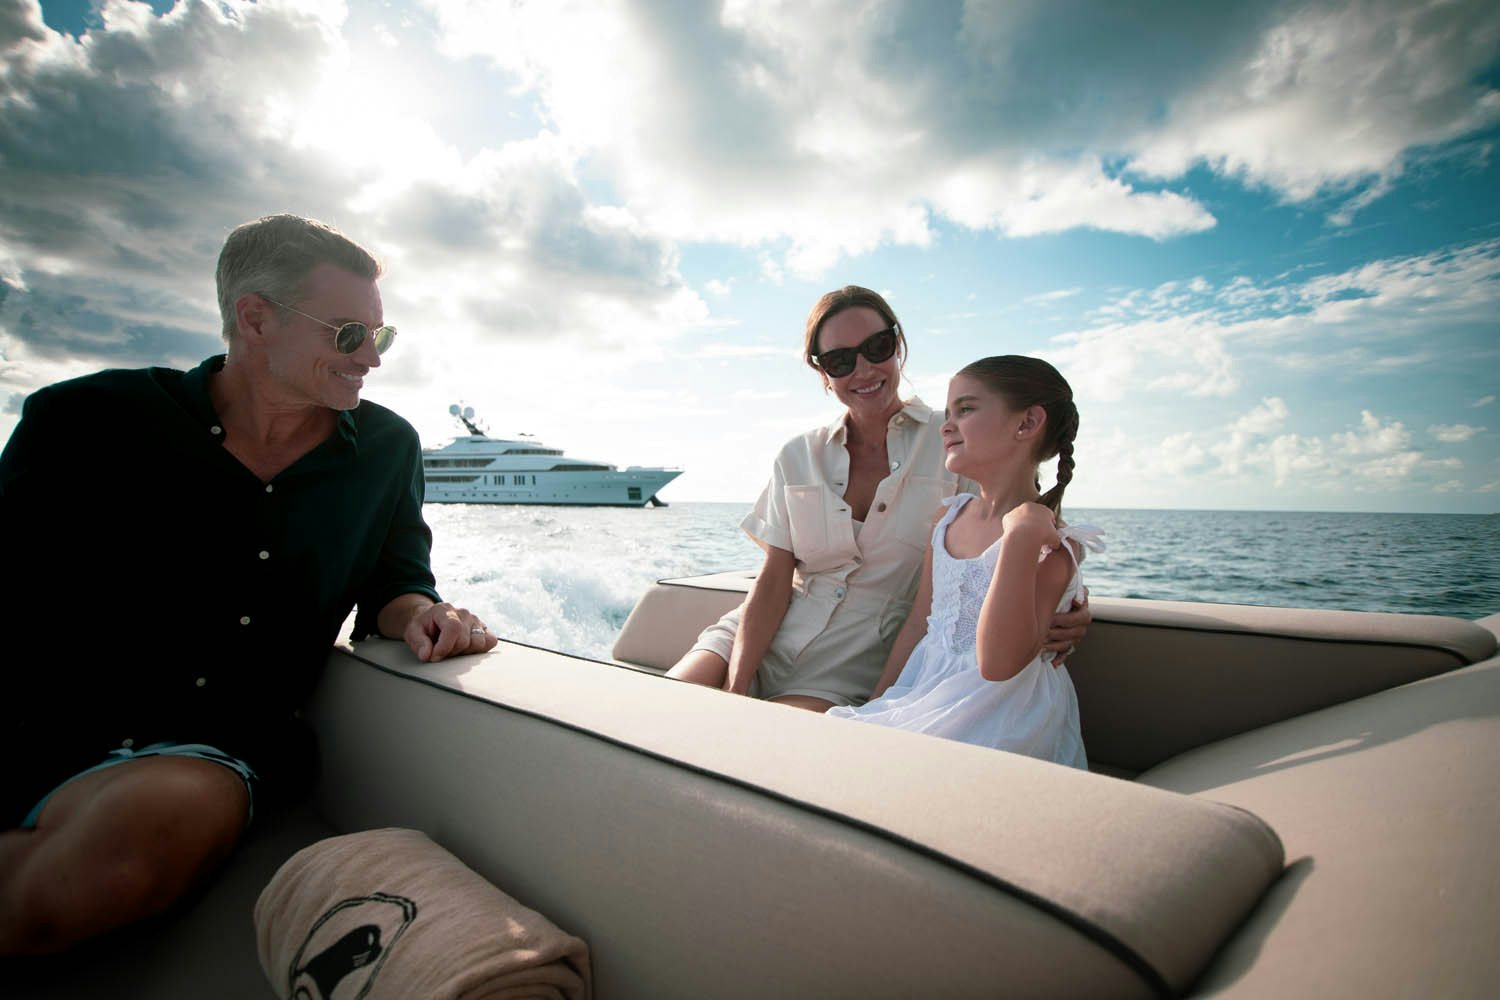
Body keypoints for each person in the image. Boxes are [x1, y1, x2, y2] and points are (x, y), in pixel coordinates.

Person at [0, 213, 498, 955]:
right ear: (255, 318)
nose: (373, 359)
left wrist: (426, 612)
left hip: (211, 751)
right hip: (37, 730)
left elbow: (395, 585)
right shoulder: (83, 419)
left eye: (379, 336)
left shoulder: (387, 450)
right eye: (347, 335)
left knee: (129, 854)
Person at [667, 287, 1089, 712]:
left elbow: (1027, 527)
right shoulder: (798, 455)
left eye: (877, 347)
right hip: (749, 640)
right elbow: (774, 579)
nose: (864, 370)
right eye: (840, 361)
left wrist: (1073, 606)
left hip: (853, 669)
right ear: (823, 373)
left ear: (898, 344)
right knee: (656, 710)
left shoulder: (962, 441)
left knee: (754, 741)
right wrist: (737, 686)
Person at [827, 356, 1102, 767]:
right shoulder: (949, 518)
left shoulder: (1052, 545)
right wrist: (877, 703)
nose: (947, 424)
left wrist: (1021, 536)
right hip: (927, 690)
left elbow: (998, 664)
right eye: (949, 411)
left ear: (1027, 424)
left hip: (1001, 714)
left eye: (967, 409)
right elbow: (920, 623)